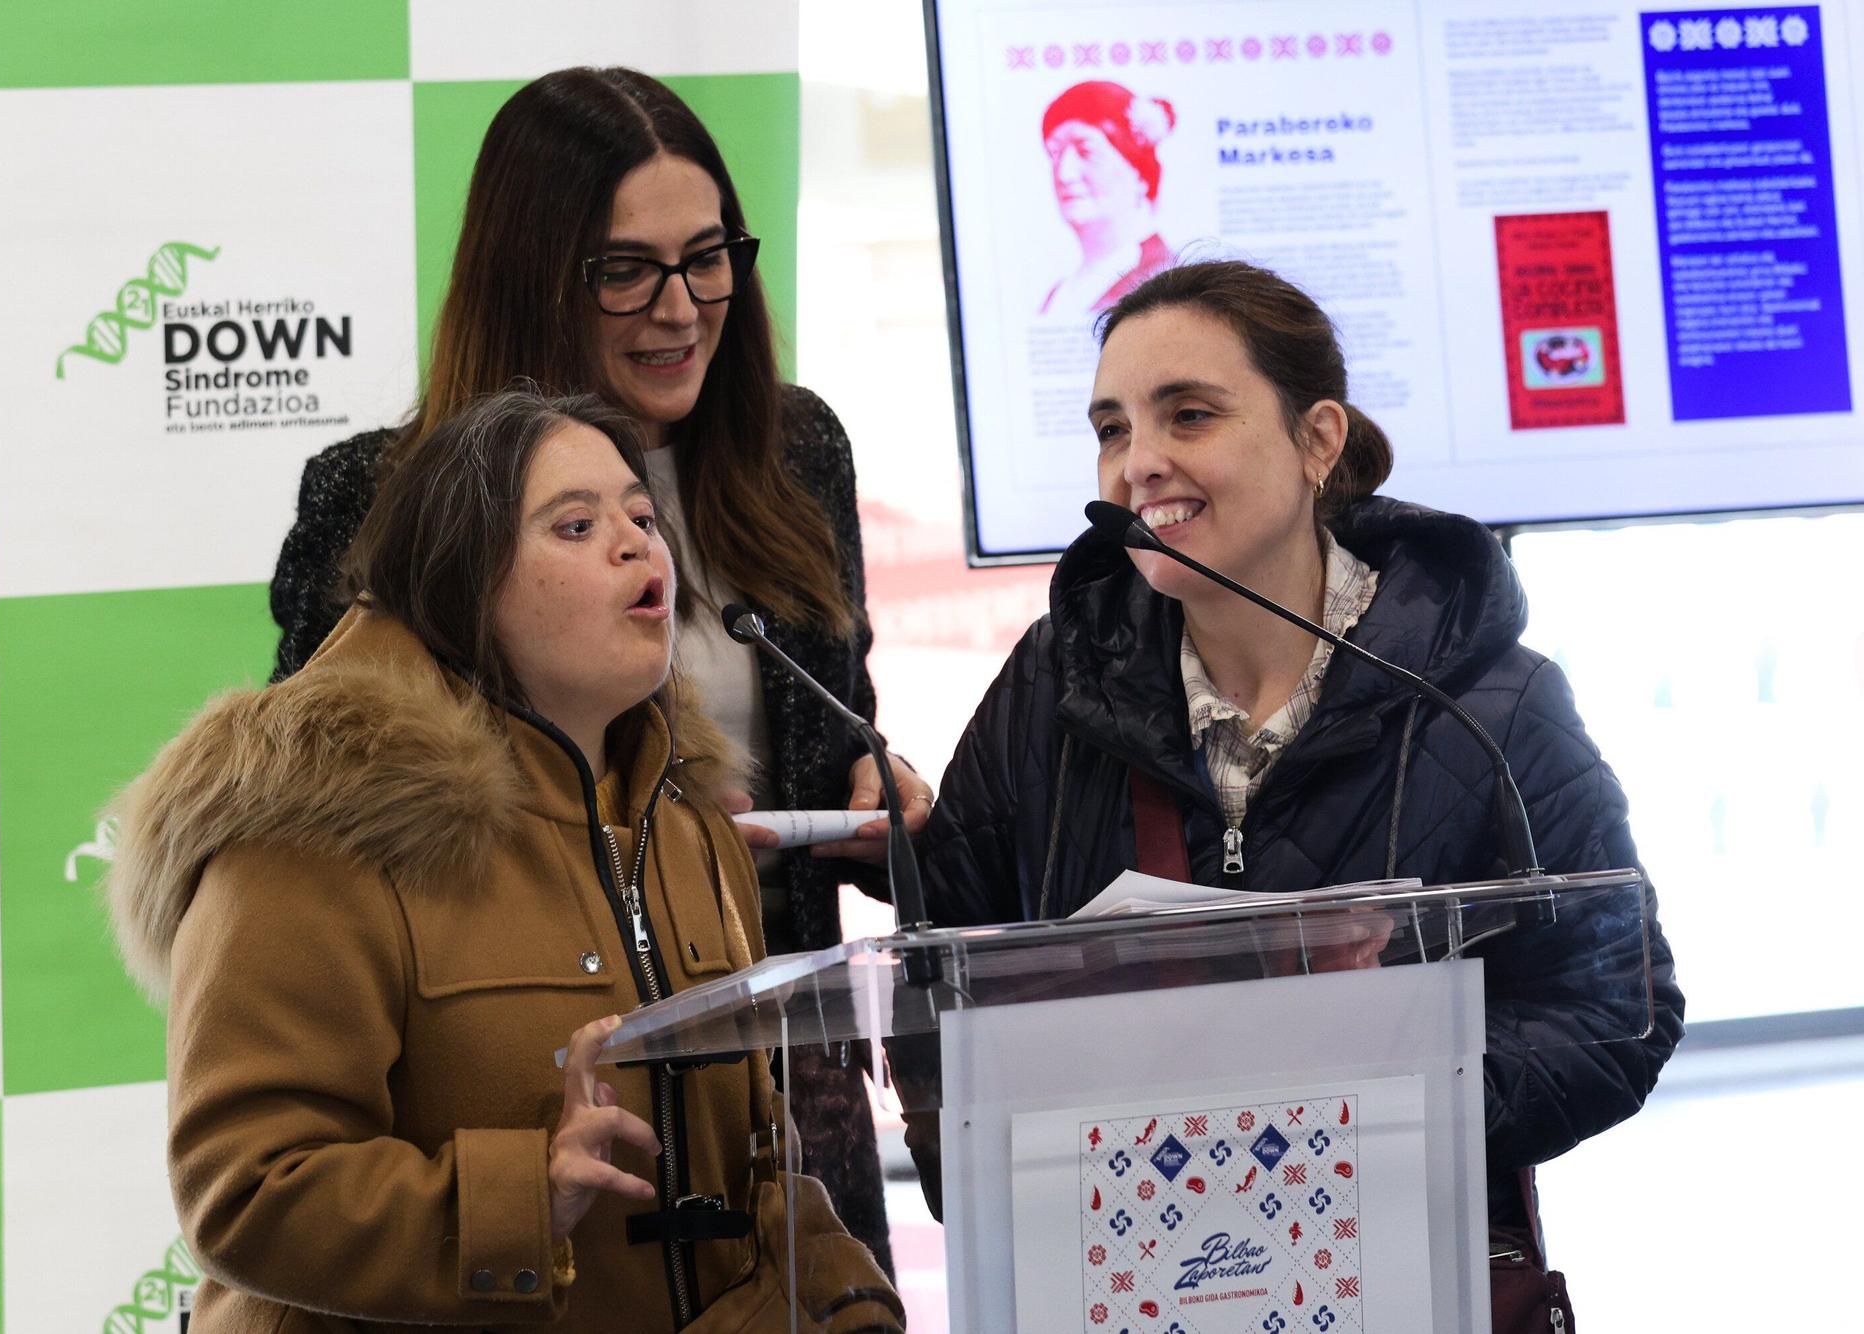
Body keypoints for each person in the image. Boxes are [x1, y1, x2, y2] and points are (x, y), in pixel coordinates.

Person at [265, 67, 927, 1270]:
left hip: (786, 1080)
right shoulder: (377, 498)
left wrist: (873, 797)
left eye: (709, 254)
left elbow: (834, 727)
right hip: (536, 1085)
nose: (681, 307)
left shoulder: (794, 448)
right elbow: (329, 827)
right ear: (529, 275)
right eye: (626, 269)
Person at [918, 260, 1684, 1244]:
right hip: (1119, 1266)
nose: (1135, 461)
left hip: (1399, 1261)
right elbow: (935, 994)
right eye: (1110, 428)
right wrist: (1000, 1187)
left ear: (1316, 438)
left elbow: (1613, 1009)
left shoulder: (1490, 703)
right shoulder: (1044, 688)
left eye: (1187, 415)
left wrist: (1380, 1104)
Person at [107, 390, 904, 1332]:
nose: (637, 545)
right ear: (464, 584)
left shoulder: (687, 822)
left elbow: (757, 1167)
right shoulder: (317, 826)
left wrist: (846, 1300)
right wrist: (528, 1197)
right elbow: (245, 1191)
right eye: (576, 525)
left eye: (642, 518)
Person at [1038, 80, 1178, 317]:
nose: (1064, 173)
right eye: (1055, 153)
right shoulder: (1058, 292)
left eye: (1086, 151)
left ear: (1138, 171)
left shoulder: (1165, 280)